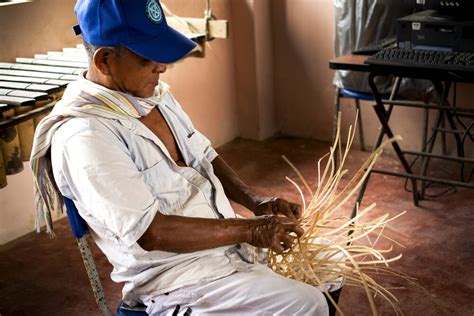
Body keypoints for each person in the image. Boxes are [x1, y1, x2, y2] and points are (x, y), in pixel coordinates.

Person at [30, 0, 331, 314]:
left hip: (225, 248)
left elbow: (203, 155)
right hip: (179, 279)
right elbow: (152, 231)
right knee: (307, 305)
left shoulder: (153, 96)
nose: (161, 67)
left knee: (329, 268)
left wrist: (255, 202)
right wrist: (252, 229)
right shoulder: (85, 136)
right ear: (105, 60)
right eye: (149, 57)